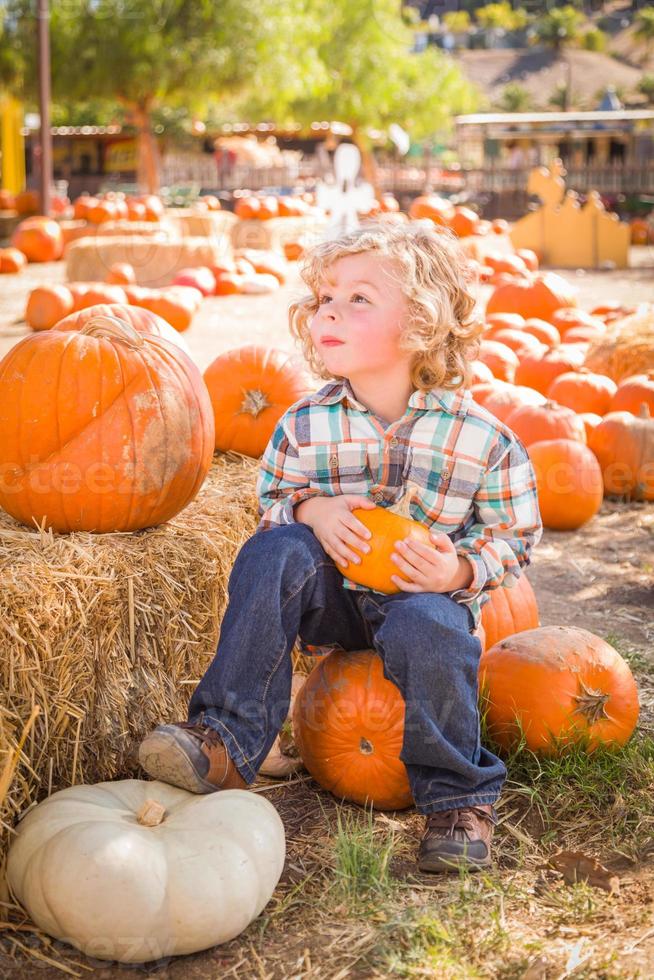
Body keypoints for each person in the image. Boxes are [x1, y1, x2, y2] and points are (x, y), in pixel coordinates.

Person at [139, 222, 542, 873]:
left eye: (359, 299)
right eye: (325, 297)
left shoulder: (480, 437)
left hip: (420, 600)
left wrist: (461, 566)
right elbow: (268, 503)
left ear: (423, 322)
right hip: (331, 598)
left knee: (434, 631)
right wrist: (310, 507)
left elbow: (514, 536)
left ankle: (457, 799)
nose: (329, 311)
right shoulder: (304, 422)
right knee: (273, 553)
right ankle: (226, 740)